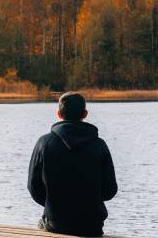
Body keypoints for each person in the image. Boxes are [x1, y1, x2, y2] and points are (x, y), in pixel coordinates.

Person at [28, 92, 118, 237]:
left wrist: (52, 204)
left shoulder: (44, 143)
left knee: (41, 224)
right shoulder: (99, 145)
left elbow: (34, 188)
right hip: (92, 226)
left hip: (54, 223)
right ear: (85, 113)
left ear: (59, 114)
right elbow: (110, 190)